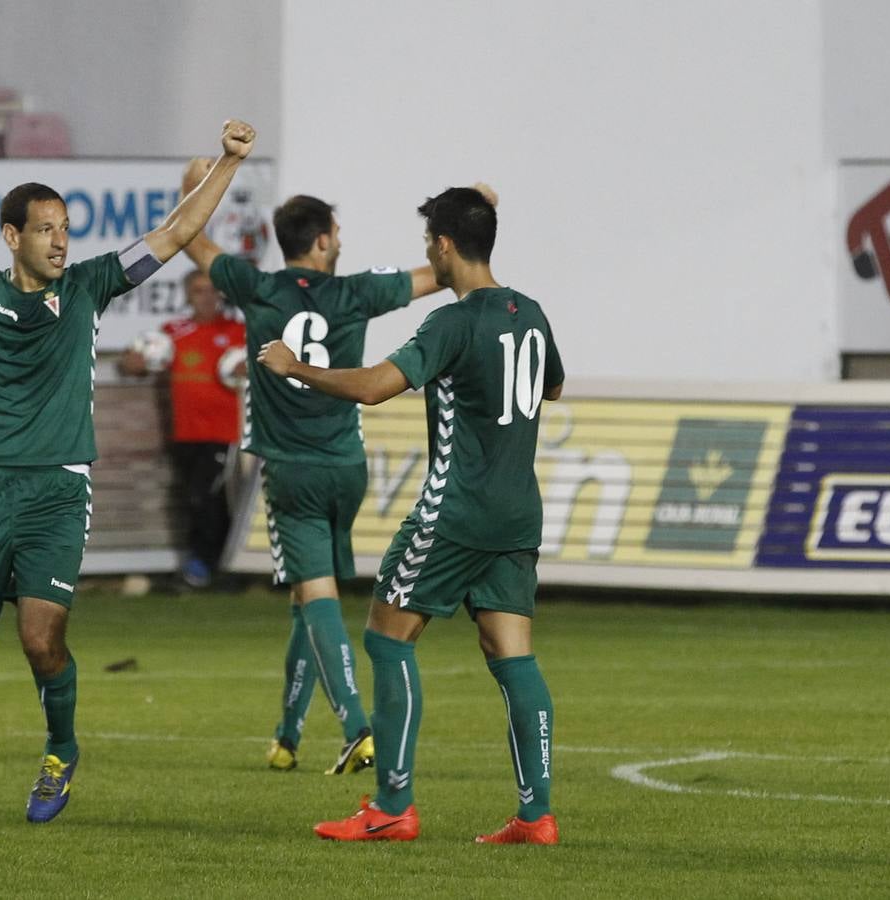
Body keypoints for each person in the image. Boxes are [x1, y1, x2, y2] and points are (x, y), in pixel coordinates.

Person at [0, 117, 256, 827]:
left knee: (41, 640)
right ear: (13, 237)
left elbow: (174, 234)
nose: (61, 240)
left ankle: (62, 749)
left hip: (58, 489)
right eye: (45, 229)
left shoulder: (92, 284)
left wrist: (228, 161)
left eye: (65, 228)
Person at [258, 186, 564, 844]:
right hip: (517, 512)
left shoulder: (452, 323)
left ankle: (392, 804)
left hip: (454, 510)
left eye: (429, 242)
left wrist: (296, 367)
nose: (428, 252)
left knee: (387, 638)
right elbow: (553, 385)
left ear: (445, 246)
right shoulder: (531, 313)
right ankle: (535, 815)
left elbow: (373, 387)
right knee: (512, 655)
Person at [179, 162, 475, 776]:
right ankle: (287, 735)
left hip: (292, 472)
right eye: (336, 234)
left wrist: (192, 187)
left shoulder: (256, 286)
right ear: (320, 241)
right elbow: (440, 275)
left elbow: (190, 239)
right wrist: (474, 217)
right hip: (345, 467)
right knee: (306, 601)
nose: (340, 242)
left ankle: (356, 729)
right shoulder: (355, 293)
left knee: (316, 597)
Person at [118, 268, 247, 588]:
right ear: (188, 295)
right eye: (199, 290)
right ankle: (216, 570)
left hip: (225, 434)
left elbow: (266, 366)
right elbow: (138, 364)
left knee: (208, 496)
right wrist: (131, 363)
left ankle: (206, 567)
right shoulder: (173, 332)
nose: (207, 297)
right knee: (196, 498)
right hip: (185, 433)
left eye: (212, 290)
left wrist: (251, 369)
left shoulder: (238, 331)